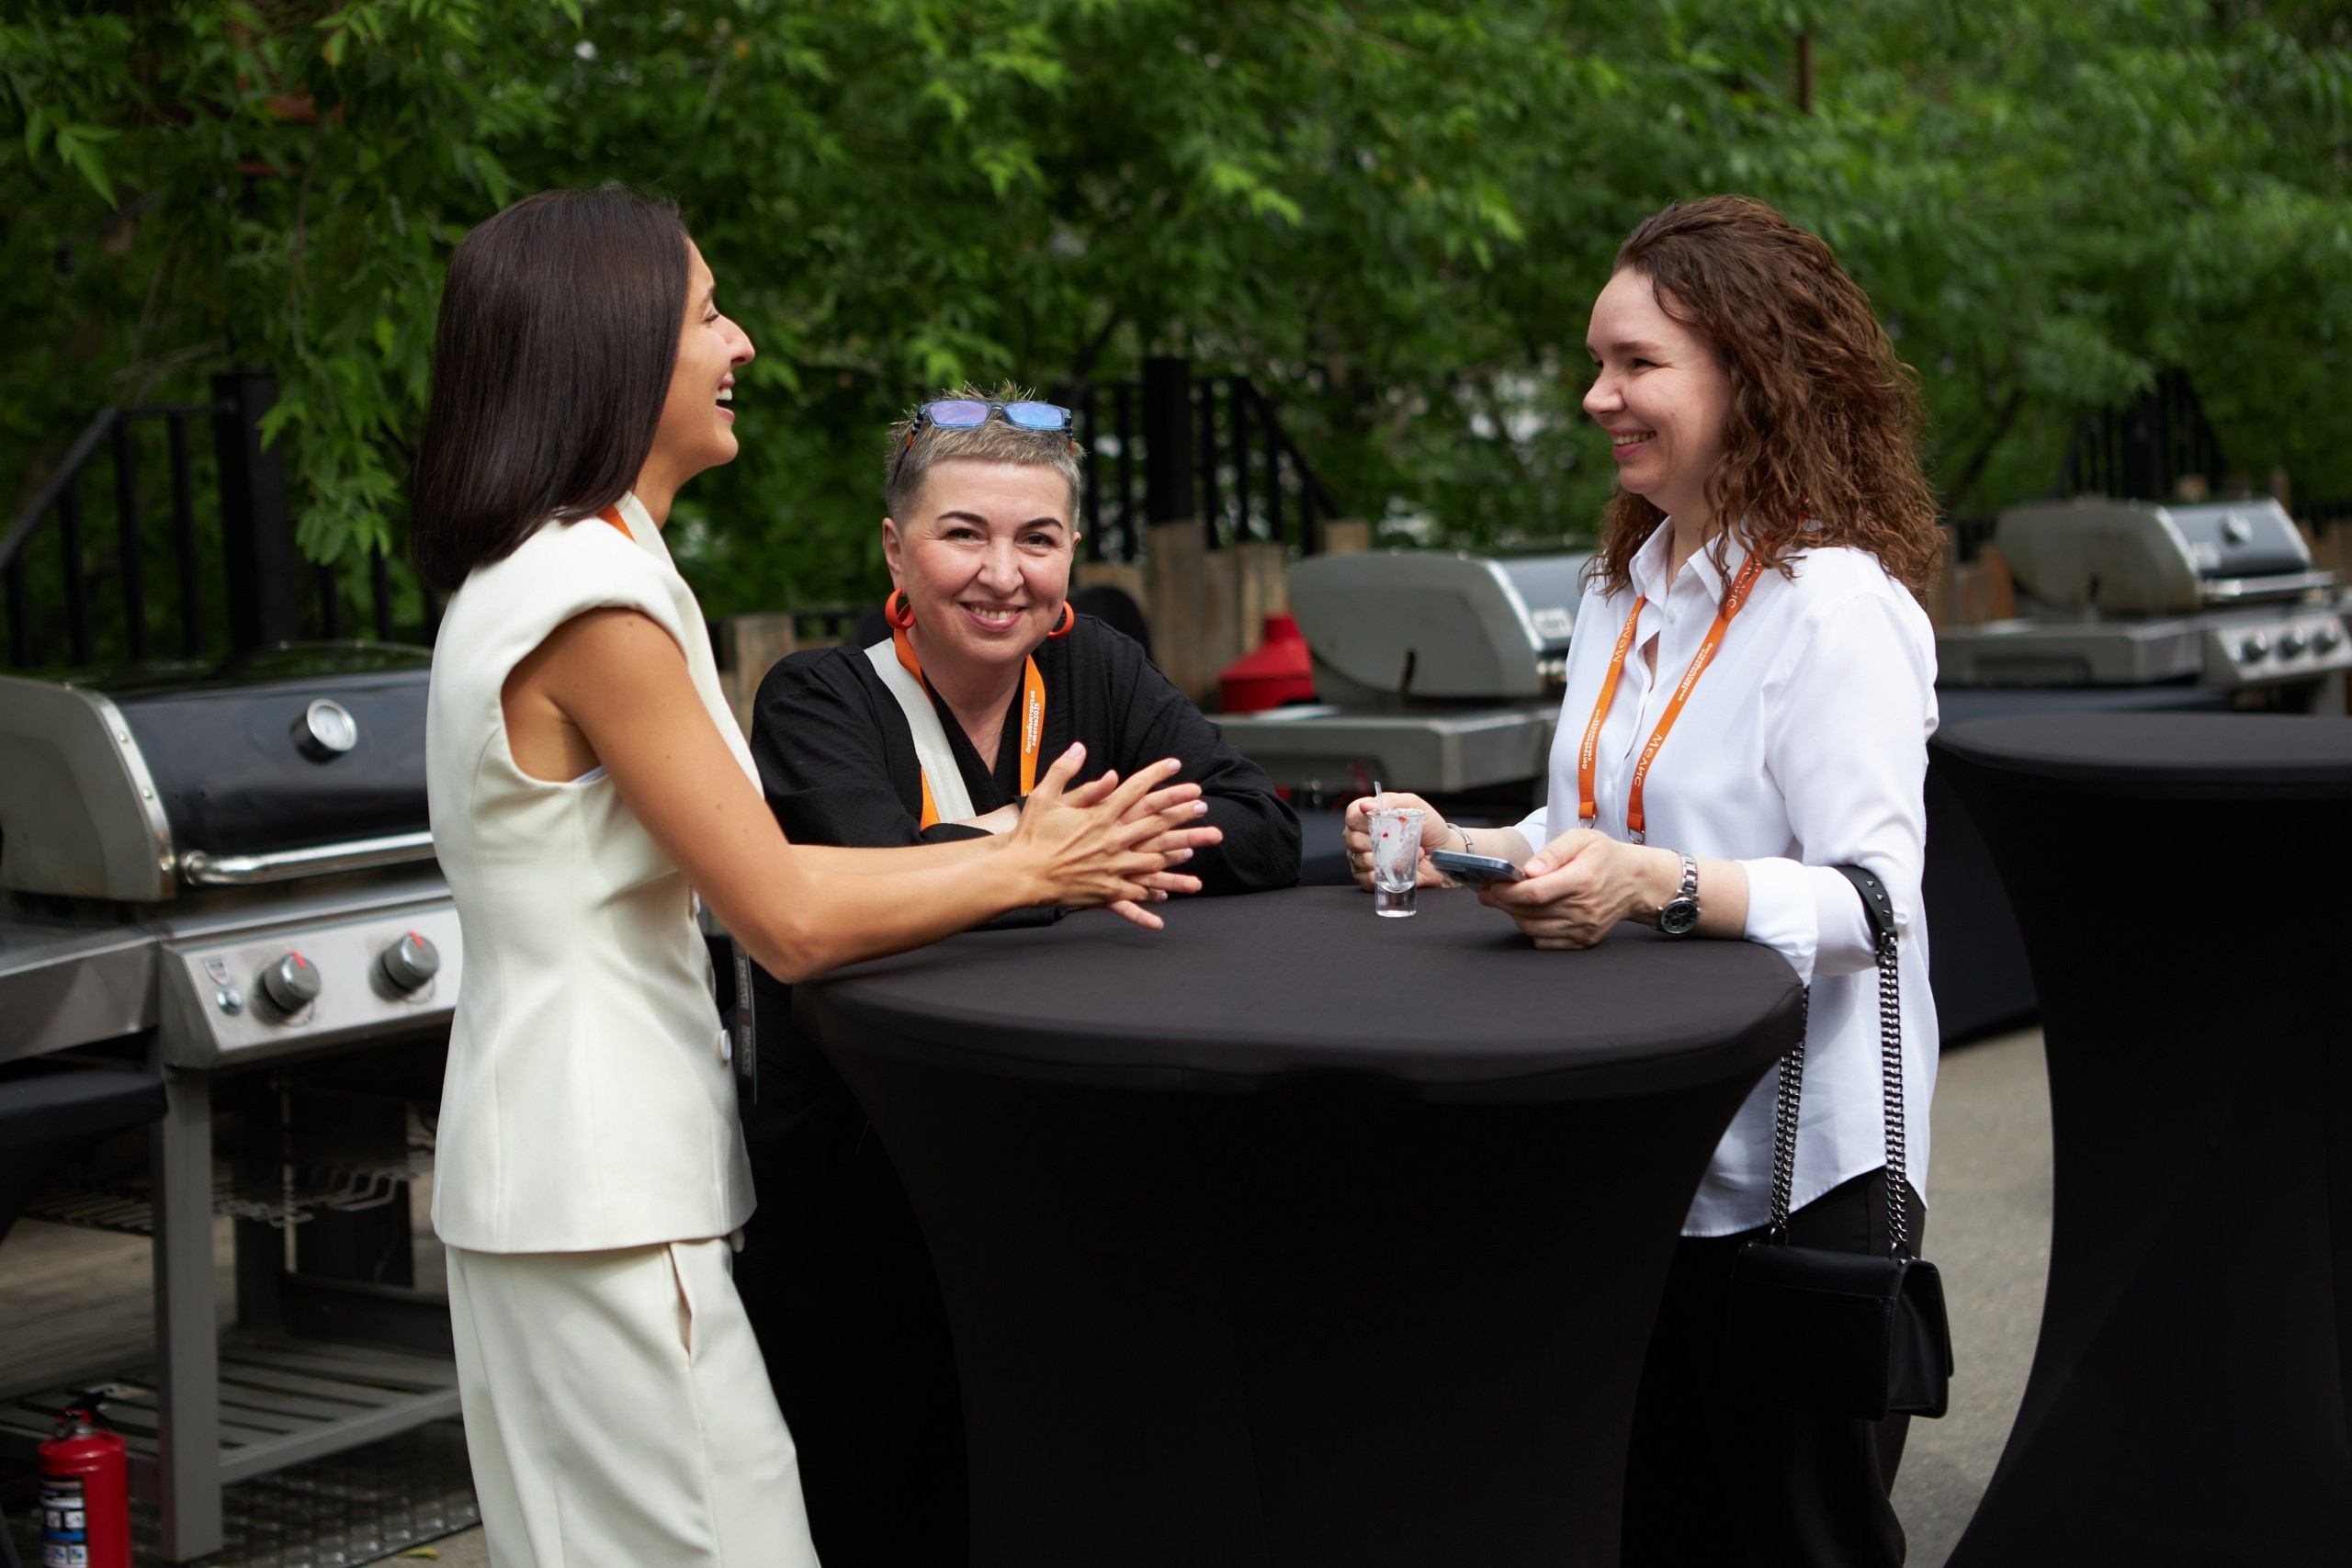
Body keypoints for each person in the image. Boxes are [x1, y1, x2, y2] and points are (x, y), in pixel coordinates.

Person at [412, 189, 1217, 1568]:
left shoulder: (551, 565)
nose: (742, 343)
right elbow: (784, 914)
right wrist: (1032, 855)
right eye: (707, 314)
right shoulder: (591, 599)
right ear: (613, 344)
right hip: (601, 1182)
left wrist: (1020, 847)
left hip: (557, 1177)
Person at [1346, 195, 1942, 1566]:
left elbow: (1873, 903)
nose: (1595, 396)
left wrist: (1653, 885)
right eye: (1596, 362)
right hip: (1634, 1154)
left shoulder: (1838, 609)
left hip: (1793, 1173)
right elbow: (1593, 823)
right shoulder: (1627, 581)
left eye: (1636, 364)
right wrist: (1460, 839)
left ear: (1754, 373)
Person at [732, 383, 1299, 1564]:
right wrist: (1048, 852)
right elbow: (871, 878)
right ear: (897, 550)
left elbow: (1257, 826)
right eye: (964, 534)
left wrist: (1004, 855)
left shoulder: (1101, 671)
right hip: (862, 1205)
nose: (1003, 574)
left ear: (1072, 553)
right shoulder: (817, 697)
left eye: (1037, 538)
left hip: (1052, 1181)